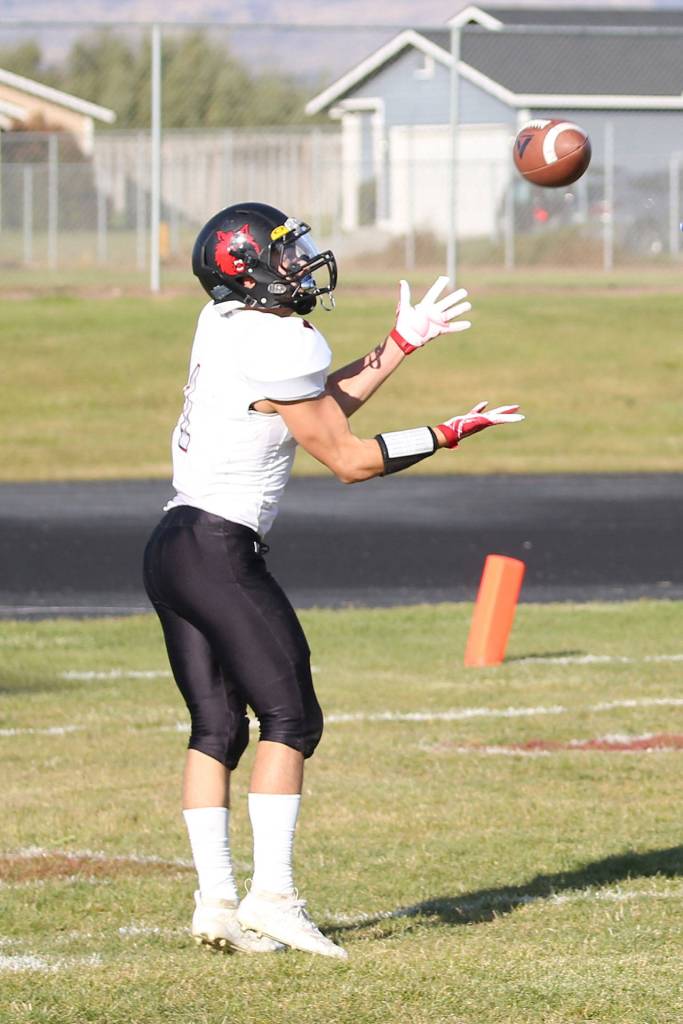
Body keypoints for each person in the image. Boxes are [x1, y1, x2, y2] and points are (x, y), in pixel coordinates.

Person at [142, 201, 523, 961]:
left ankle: (216, 901)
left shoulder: (228, 325)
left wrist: (400, 344)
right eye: (284, 252)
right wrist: (446, 433)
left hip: (173, 542)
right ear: (245, 269)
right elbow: (346, 457)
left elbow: (317, 409)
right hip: (218, 548)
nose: (302, 261)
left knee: (217, 729)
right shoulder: (280, 338)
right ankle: (273, 897)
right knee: (293, 721)